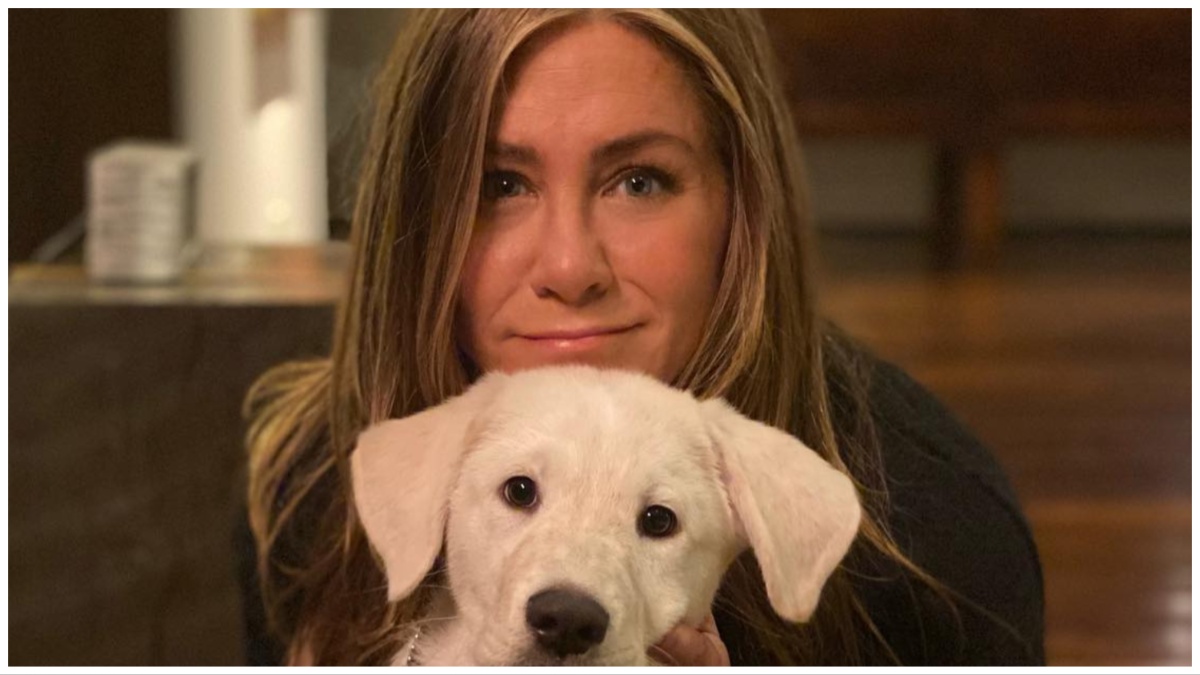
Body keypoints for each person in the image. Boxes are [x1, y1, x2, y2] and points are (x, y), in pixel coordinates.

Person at [238, 8, 1044, 666]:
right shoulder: (313, 492)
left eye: (639, 181)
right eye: (500, 183)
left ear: (742, 208)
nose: (569, 267)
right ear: (413, 223)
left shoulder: (937, 540)